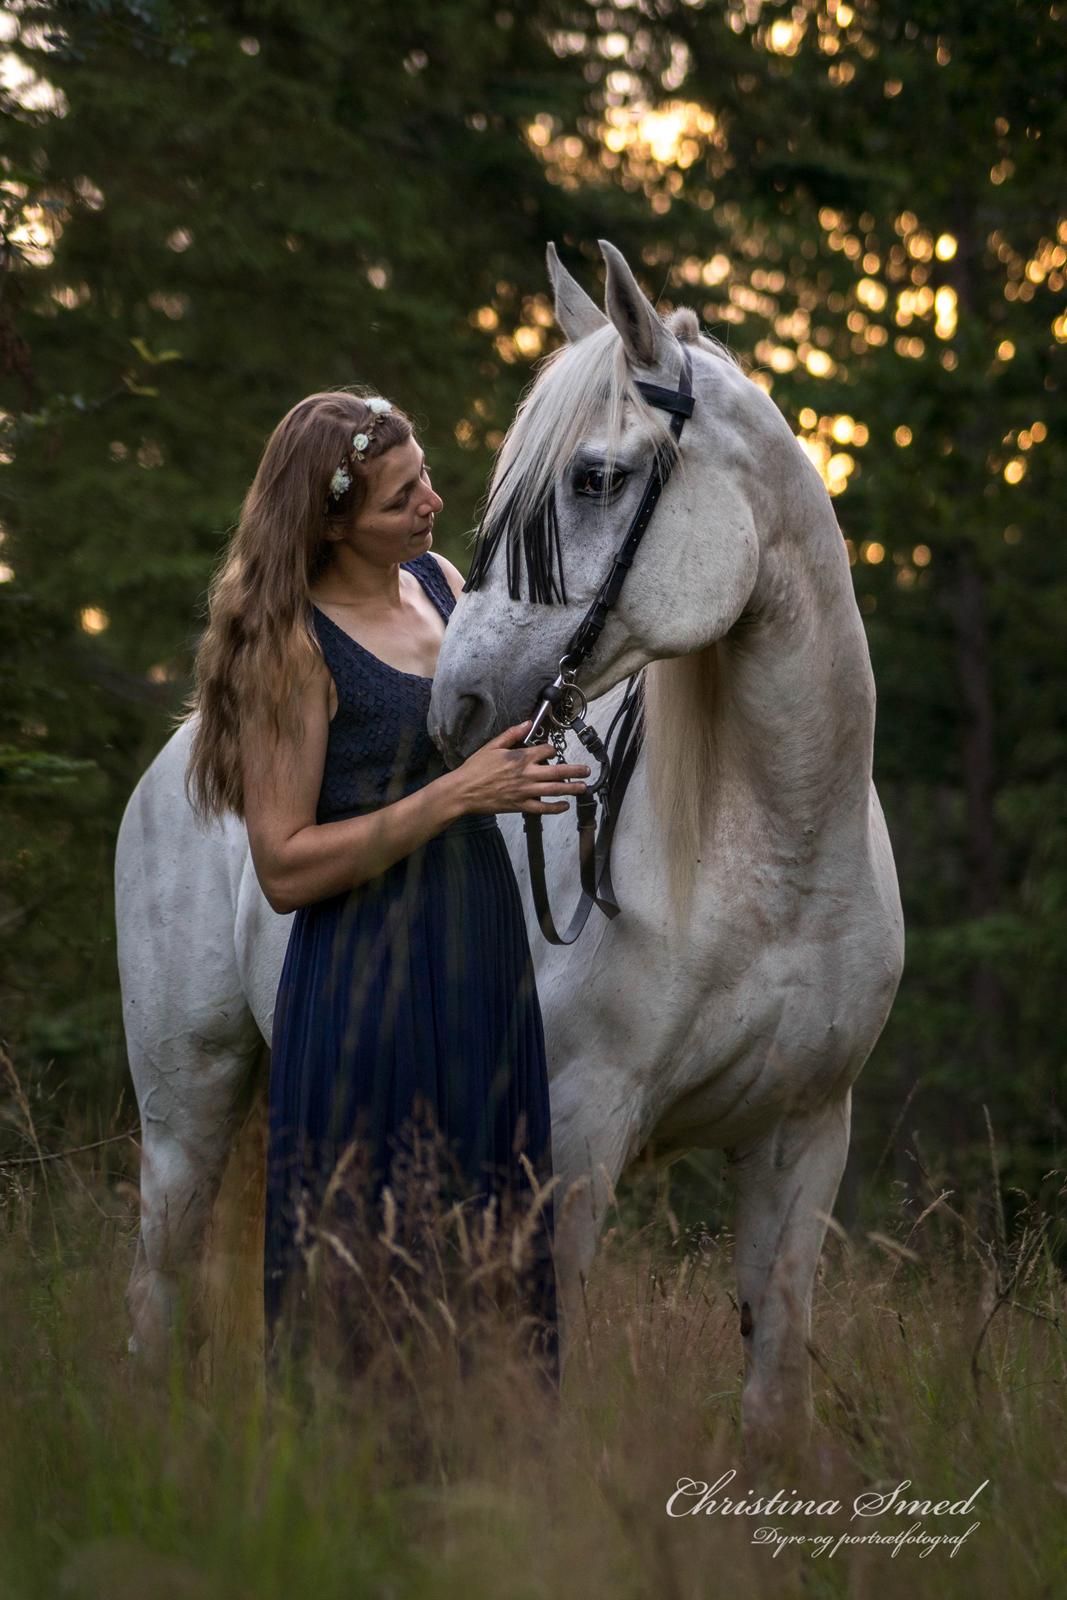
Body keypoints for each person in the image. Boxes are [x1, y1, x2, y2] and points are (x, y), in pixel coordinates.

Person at [186, 389, 589, 1390]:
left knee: (494, 1229)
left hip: (479, 945)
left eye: (424, 478)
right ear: (330, 522)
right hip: (368, 976)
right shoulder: (289, 647)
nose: (430, 503)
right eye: (400, 497)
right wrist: (458, 793)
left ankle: (499, 1464)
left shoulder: (440, 584)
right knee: (372, 1261)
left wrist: (524, 753)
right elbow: (283, 865)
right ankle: (361, 1473)